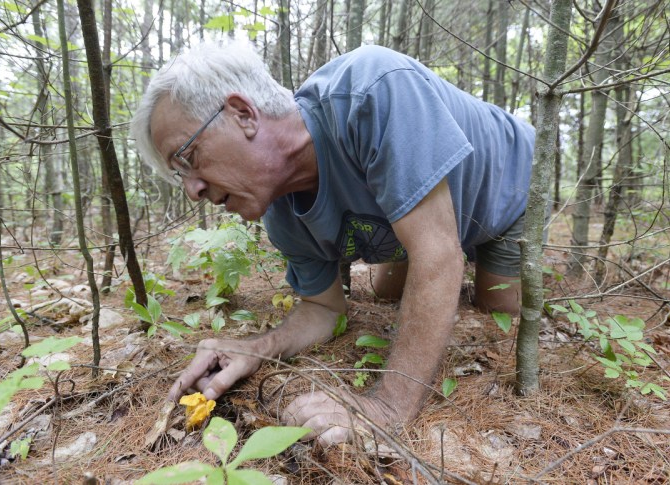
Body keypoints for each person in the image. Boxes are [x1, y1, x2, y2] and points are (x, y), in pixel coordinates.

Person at [132, 40, 535, 445]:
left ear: (243, 114)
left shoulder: (373, 90)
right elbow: (323, 308)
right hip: (430, 221)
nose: (192, 190)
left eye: (187, 157)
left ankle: (458, 242)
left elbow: (439, 256)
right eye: (177, 175)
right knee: (387, 292)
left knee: (497, 305)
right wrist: (258, 347)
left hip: (508, 190)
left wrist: (387, 407)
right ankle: (425, 230)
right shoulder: (280, 212)